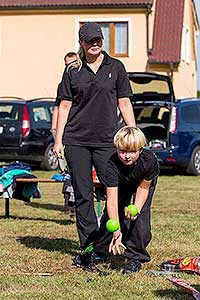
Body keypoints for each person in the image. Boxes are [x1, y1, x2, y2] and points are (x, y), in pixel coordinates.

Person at [53, 22, 136, 259]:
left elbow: (125, 102)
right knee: (83, 194)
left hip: (106, 141)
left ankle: (113, 238)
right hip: (76, 140)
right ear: (81, 43)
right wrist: (58, 141)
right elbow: (64, 106)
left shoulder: (116, 67)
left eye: (98, 40)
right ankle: (90, 246)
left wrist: (133, 133)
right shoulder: (72, 71)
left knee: (115, 189)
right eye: (90, 40)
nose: (95, 44)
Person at [76, 126, 160, 274]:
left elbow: (143, 188)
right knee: (111, 217)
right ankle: (100, 250)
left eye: (132, 152)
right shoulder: (111, 166)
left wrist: (137, 208)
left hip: (142, 184)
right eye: (123, 152)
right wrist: (116, 230)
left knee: (140, 217)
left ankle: (136, 257)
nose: (127, 156)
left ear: (140, 150)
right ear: (116, 148)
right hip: (121, 183)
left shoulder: (149, 161)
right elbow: (112, 201)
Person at [51, 52, 79, 216]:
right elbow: (59, 107)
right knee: (67, 170)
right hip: (65, 131)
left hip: (79, 131)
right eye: (67, 65)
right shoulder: (63, 84)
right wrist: (55, 131)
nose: (70, 67)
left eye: (73, 63)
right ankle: (69, 203)